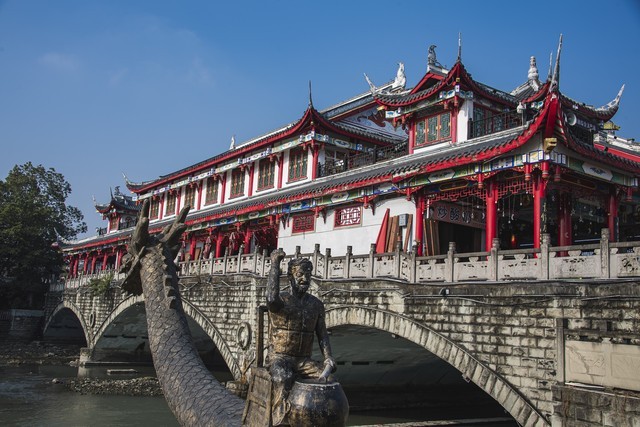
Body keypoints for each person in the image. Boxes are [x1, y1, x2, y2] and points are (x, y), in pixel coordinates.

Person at [266, 249, 336, 425]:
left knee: (329, 380)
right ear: (290, 277)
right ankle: (280, 421)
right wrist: (275, 264)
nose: (305, 279)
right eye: (300, 275)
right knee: (283, 377)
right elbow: (270, 298)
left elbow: (322, 334)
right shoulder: (281, 300)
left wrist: (328, 357)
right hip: (280, 357)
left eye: (308, 275)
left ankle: (317, 420)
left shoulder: (316, 305)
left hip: (304, 360)